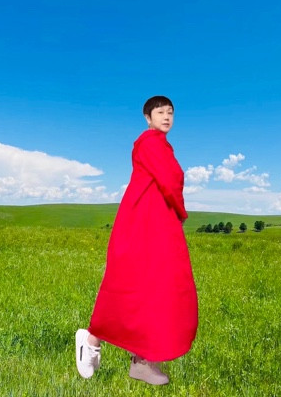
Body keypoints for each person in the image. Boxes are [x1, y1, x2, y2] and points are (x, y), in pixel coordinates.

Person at [75, 96, 198, 385]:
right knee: (130, 285)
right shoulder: (150, 143)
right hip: (144, 223)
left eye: (170, 113)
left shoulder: (160, 145)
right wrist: (181, 211)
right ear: (147, 118)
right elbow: (170, 180)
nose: (166, 117)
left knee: (155, 288)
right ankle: (90, 342)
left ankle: (142, 361)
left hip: (157, 223)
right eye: (160, 112)